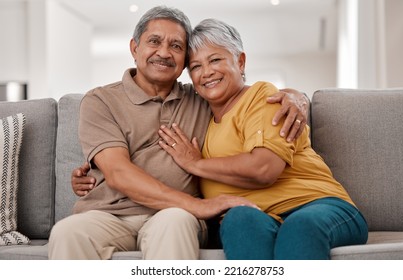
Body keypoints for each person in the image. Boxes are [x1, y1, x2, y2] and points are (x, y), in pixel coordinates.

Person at [60, 6, 309, 260]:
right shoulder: (100, 100)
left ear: (183, 63)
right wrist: (201, 206)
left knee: (174, 223)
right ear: (135, 48)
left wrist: (296, 96)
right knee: (68, 232)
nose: (164, 53)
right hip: (109, 214)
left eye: (176, 46)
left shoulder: (202, 97)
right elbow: (118, 172)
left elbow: (246, 96)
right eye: (154, 41)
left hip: (175, 214)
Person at [157, 18, 368, 260]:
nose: (207, 72)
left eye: (215, 59)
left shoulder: (262, 97)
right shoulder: (201, 115)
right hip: (257, 215)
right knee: (237, 219)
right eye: (195, 66)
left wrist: (195, 164)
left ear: (241, 61)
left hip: (317, 206)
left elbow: (264, 169)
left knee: (299, 227)